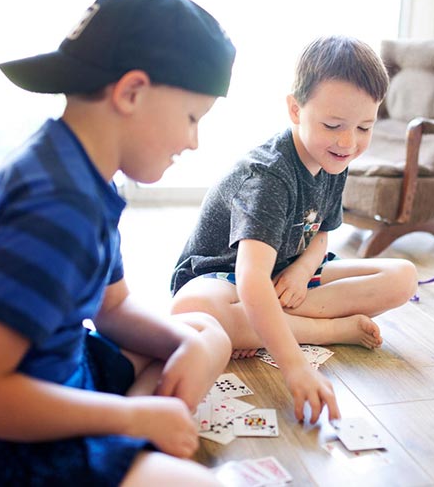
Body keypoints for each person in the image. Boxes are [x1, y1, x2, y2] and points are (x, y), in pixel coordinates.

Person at [0, 0, 237, 486]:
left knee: (204, 335)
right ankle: (123, 444)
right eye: (192, 117)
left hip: (47, 375)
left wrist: (187, 349)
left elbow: (111, 309)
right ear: (132, 92)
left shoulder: (79, 170)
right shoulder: (56, 207)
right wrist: (131, 418)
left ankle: (120, 446)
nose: (193, 141)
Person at [170, 35, 419, 424]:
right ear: (295, 109)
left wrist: (302, 271)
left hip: (285, 271)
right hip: (224, 276)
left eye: (364, 128)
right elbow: (251, 279)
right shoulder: (269, 175)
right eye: (334, 125)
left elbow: (321, 235)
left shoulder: (335, 158)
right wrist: (296, 366)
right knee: (193, 309)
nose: (348, 142)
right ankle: (329, 329)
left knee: (403, 277)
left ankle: (265, 325)